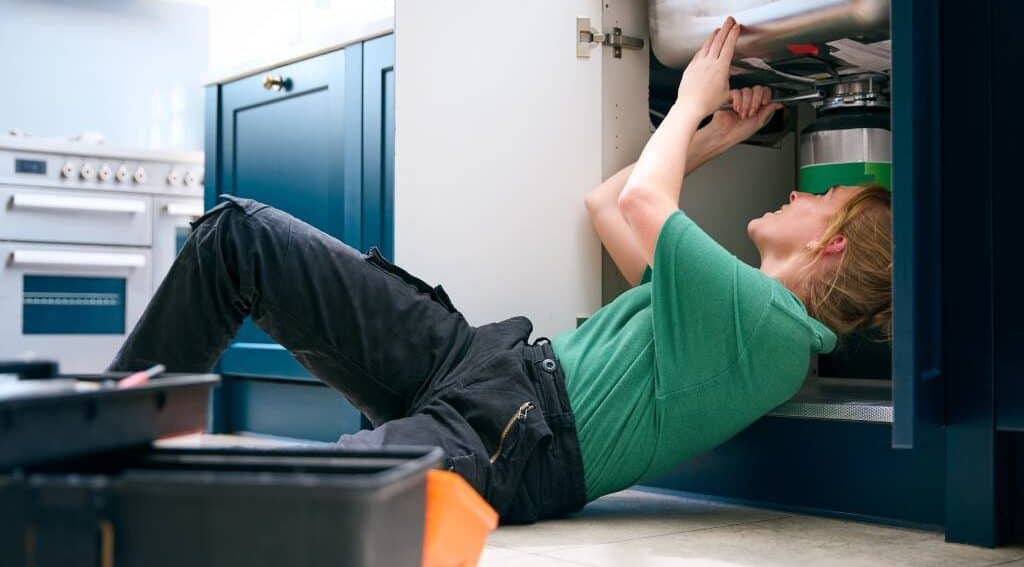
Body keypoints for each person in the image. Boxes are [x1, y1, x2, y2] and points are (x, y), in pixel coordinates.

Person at [110, 17, 891, 524]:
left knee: (304, 500)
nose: (799, 191)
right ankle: (102, 437)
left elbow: (647, 199)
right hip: (483, 364)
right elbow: (610, 205)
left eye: (825, 199)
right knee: (240, 235)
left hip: (520, 437)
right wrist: (714, 138)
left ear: (835, 245)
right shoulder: (733, 311)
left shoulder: (769, 327)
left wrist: (690, 102)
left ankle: (100, 510)